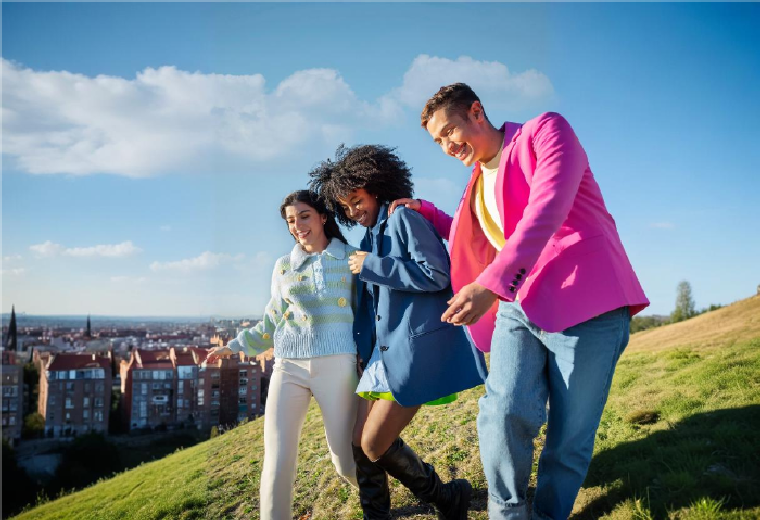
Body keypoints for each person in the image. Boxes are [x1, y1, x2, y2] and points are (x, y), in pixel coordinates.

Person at [390, 83, 649, 519]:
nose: (447, 146)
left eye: (449, 131)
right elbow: (484, 235)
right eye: (437, 141)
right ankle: (507, 513)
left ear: (476, 112)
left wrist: (490, 285)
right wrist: (430, 213)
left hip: (587, 301)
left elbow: (546, 207)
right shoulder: (475, 183)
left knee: (568, 439)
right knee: (502, 411)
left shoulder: (545, 131)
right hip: (518, 303)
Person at [309, 144, 488, 520]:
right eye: (346, 208)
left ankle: (448, 495)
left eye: (356, 201)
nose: (354, 212)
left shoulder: (403, 219)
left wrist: (373, 265)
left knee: (374, 444)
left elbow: (437, 274)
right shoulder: (371, 235)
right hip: (380, 356)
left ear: (375, 186)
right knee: (359, 442)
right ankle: (386, 513)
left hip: (412, 353)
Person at [207, 190, 362, 520]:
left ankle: (376, 494)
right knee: (277, 461)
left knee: (344, 459)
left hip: (338, 364)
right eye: (291, 221)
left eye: (304, 216)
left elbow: (368, 314)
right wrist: (233, 346)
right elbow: (271, 319)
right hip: (288, 366)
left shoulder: (350, 258)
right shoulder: (282, 267)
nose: (297, 225)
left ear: (323, 216)